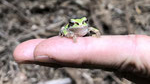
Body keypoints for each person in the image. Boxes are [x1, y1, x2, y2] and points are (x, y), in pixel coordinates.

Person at [14, 35, 150, 84]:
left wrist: (96, 34)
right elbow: (64, 30)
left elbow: (93, 30)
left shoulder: (86, 27)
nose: (80, 24)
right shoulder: (70, 28)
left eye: (83, 22)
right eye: (75, 23)